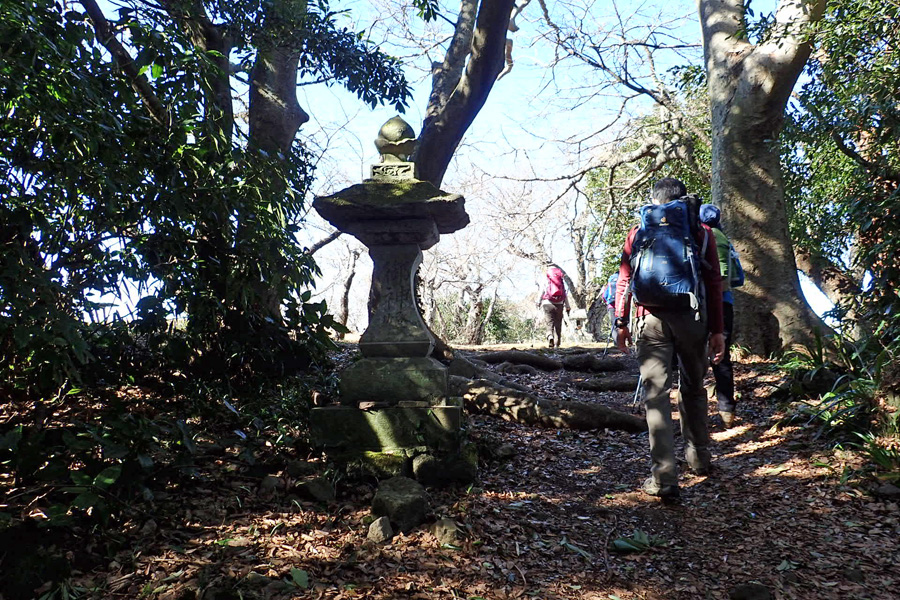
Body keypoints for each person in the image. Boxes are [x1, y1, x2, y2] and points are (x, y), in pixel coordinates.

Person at [614, 178, 725, 501]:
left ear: (654, 201)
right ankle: (699, 458)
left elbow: (624, 279)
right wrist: (717, 330)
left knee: (656, 395)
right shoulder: (702, 232)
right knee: (693, 387)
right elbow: (713, 282)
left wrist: (621, 322)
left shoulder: (638, 232)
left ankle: (664, 478)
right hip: (692, 317)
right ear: (682, 200)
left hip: (650, 319)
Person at [699, 204, 738, 428]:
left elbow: (721, 278)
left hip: (716, 303)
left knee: (717, 356)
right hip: (724, 302)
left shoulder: (710, 236)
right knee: (720, 357)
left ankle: (724, 410)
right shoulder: (721, 236)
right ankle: (726, 410)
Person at [538, 265, 570, 348]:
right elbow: (564, 294)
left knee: (549, 322)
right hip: (559, 304)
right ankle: (557, 343)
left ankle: (550, 336)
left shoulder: (546, 279)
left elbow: (541, 291)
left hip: (547, 303)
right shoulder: (561, 281)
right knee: (558, 323)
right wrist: (567, 305)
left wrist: (538, 302)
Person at [599, 272, 619, 349]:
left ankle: (616, 344)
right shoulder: (624, 279)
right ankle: (623, 343)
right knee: (623, 323)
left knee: (613, 324)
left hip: (611, 305)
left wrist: (608, 302)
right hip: (623, 305)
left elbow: (604, 295)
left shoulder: (610, 280)